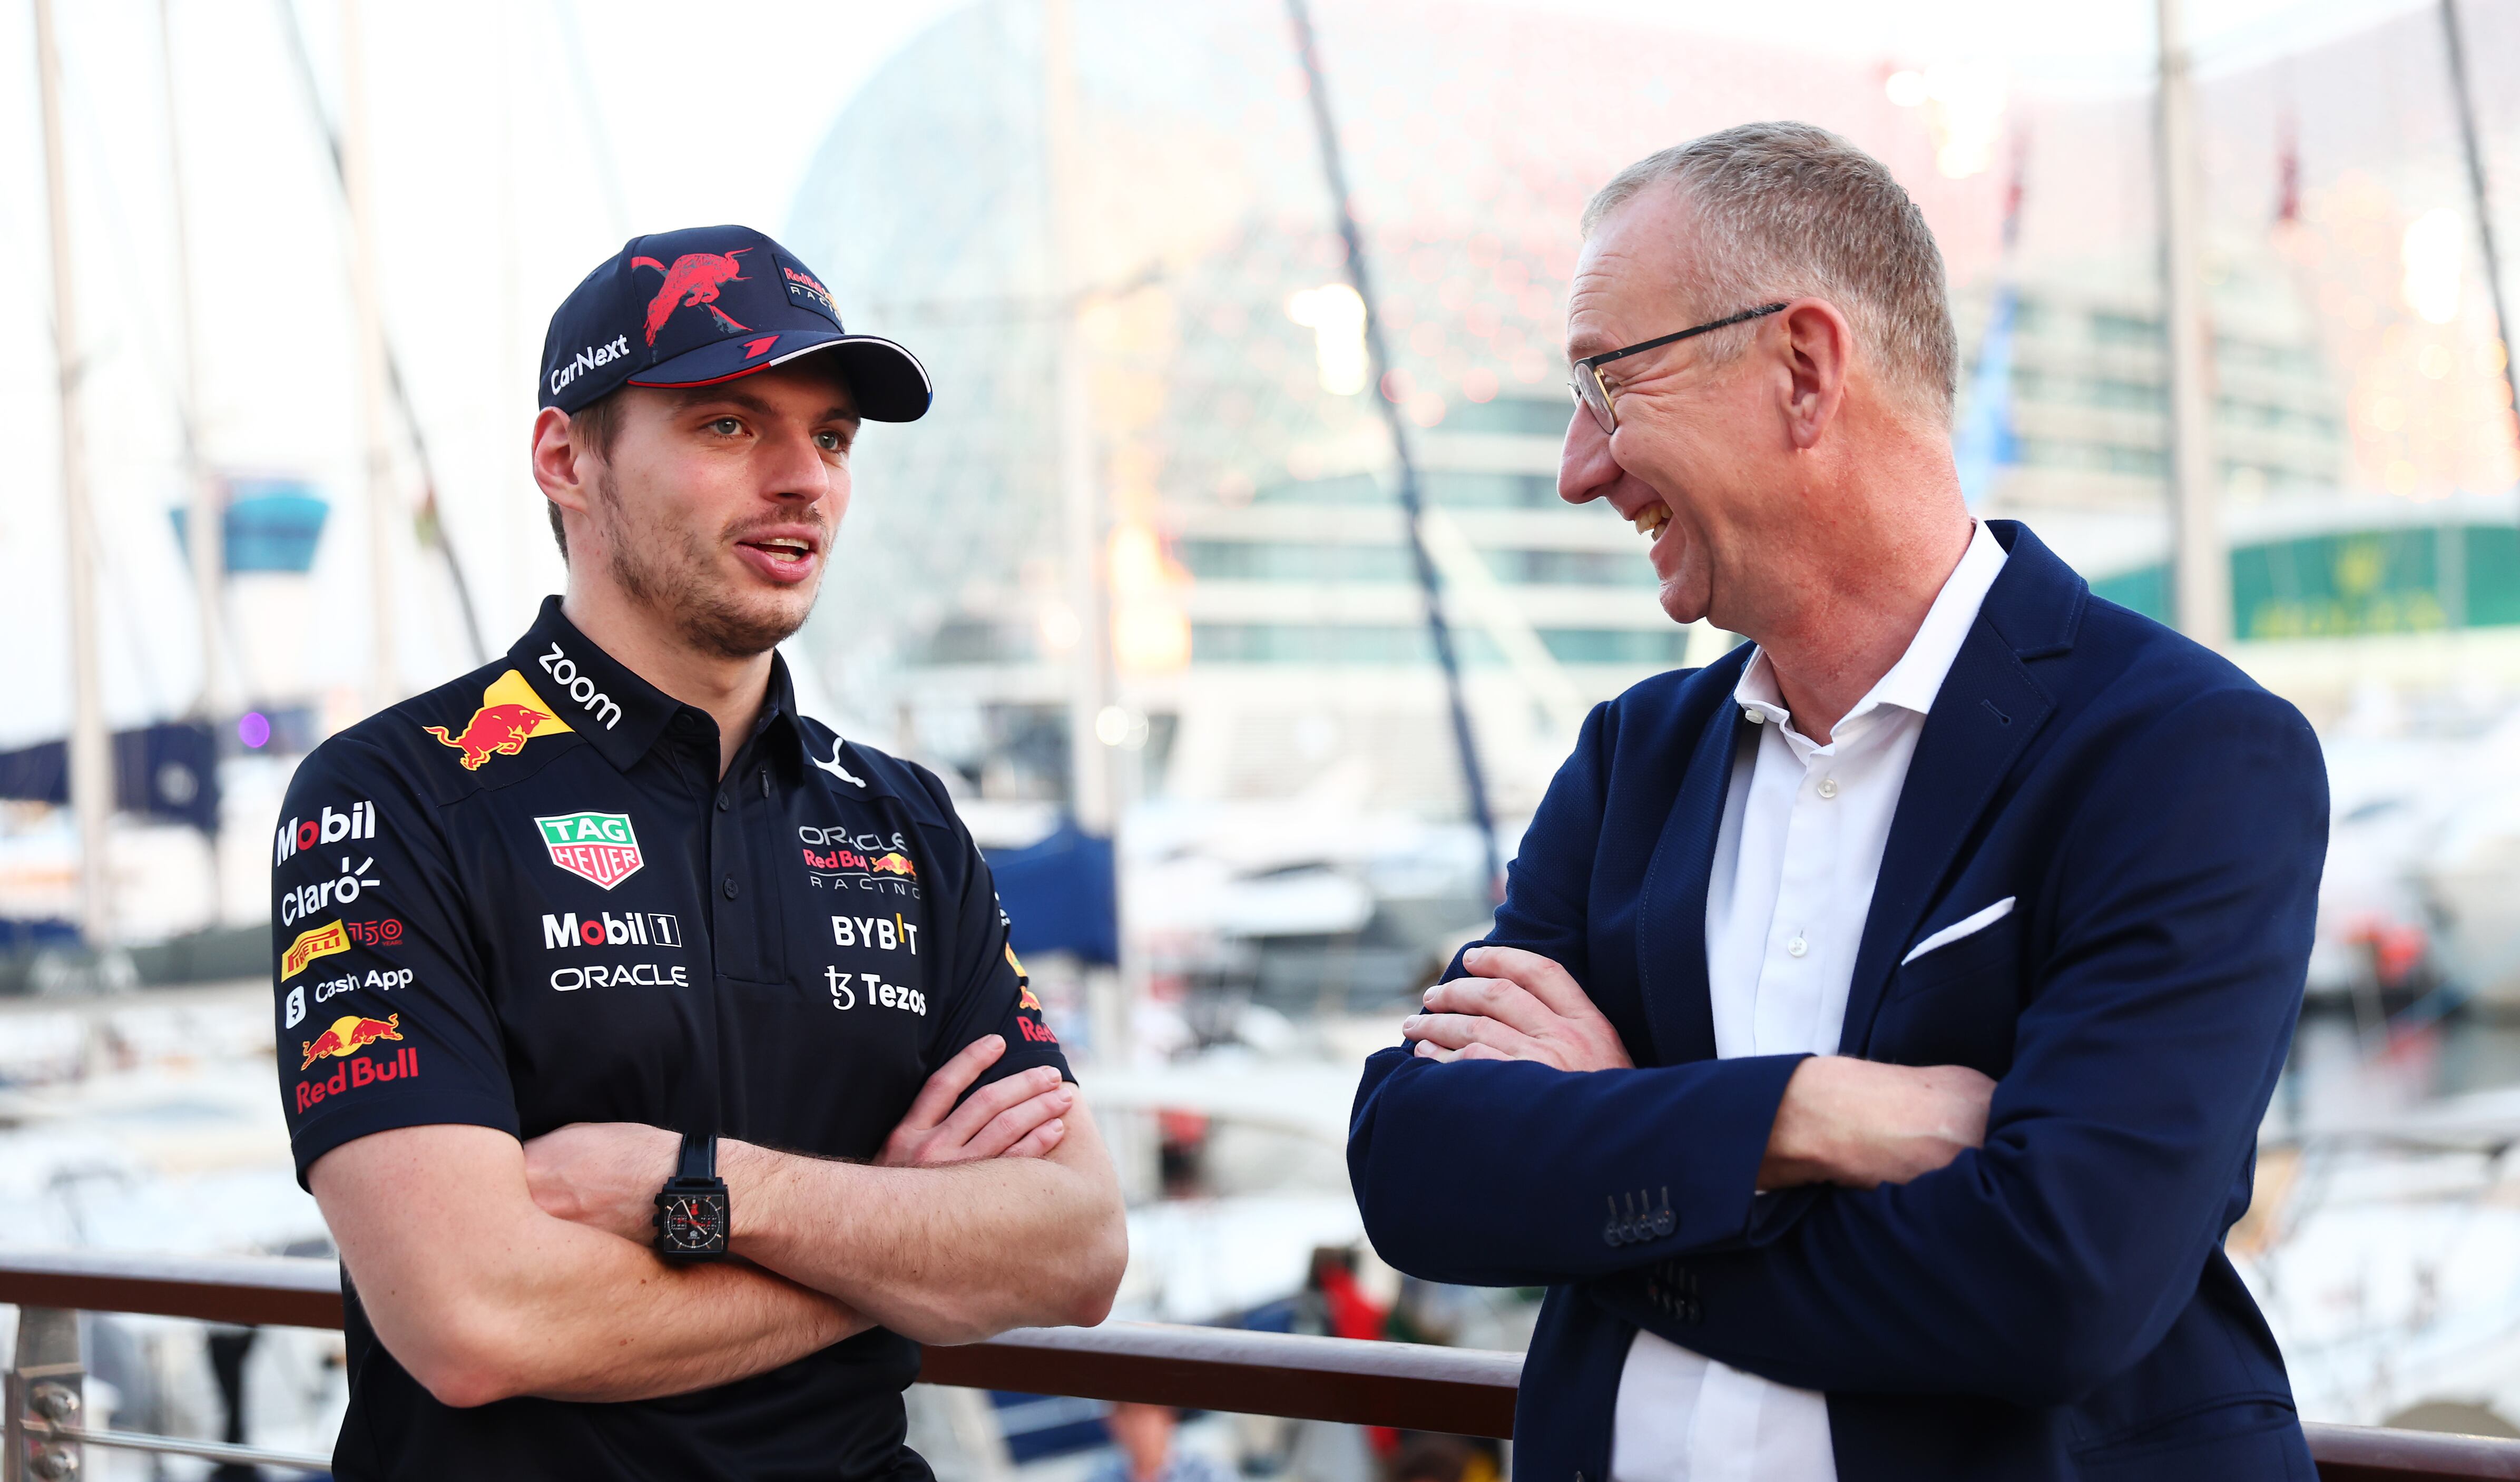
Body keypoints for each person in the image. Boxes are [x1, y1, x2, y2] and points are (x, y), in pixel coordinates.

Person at [1345, 123, 2328, 1481]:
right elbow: (1414, 1159)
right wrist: (1805, 1114)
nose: (1580, 465)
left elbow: (2059, 1282)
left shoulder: (2183, 752)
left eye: (1608, 383)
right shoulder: (1635, 755)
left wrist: (1625, 1163)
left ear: (1803, 370)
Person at [270, 224, 1126, 1480]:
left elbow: (1076, 1244)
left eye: (831, 437)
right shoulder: (395, 791)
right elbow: (473, 1318)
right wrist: (898, 1255)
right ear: (567, 457)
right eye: (730, 426)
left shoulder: (902, 819)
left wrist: (708, 1190)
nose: (804, 479)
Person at [1087, 1403, 1236, 1482]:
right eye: (1126, 1417)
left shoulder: (1208, 1474)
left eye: (1144, 1417)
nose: (1137, 1429)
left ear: (1166, 1418)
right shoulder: (1100, 1478)